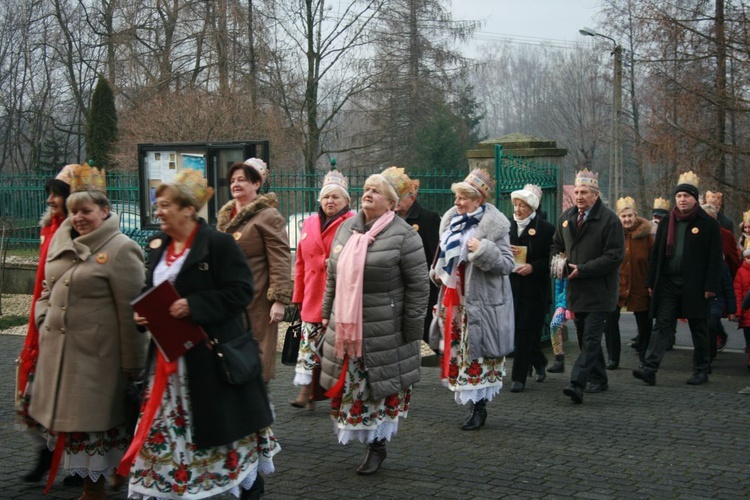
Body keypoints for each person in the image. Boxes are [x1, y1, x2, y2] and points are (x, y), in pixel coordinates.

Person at [121, 169, 277, 499]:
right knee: (169, 432)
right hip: (167, 362)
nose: (158, 211)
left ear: (188, 209)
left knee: (217, 429)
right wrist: (142, 313)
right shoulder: (159, 245)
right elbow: (151, 289)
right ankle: (174, 484)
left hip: (209, 361)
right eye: (157, 205)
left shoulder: (218, 244)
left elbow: (241, 292)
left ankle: (242, 484)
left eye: (165, 205)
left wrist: (195, 305)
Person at [29, 163, 149, 498]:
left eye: (86, 210)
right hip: (61, 359)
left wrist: (132, 367)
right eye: (73, 211)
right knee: (78, 430)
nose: (79, 217)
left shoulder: (122, 248)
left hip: (99, 362)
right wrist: (44, 319)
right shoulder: (60, 241)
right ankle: (93, 487)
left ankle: (95, 490)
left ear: (105, 210)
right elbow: (45, 291)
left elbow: (132, 314)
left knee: (95, 431)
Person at [319, 168, 428, 475]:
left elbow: (419, 287)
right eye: (366, 188)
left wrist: (411, 330)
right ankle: (367, 438)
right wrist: (327, 312)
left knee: (377, 388)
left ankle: (377, 446)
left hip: (384, 329)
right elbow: (332, 275)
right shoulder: (347, 230)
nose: (368, 194)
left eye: (376, 191)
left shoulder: (405, 236)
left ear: (391, 203)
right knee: (355, 387)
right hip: (347, 328)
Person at [430, 168, 514, 428]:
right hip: (456, 304)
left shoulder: (495, 226)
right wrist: (437, 272)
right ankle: (472, 404)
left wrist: (483, 250)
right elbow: (443, 258)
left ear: (478, 200)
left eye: (463, 197)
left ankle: (480, 408)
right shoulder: (451, 224)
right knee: (462, 355)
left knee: (480, 357)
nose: (457, 202)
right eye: (456, 197)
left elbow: (507, 265)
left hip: (483, 304)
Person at [633, 171, 722, 386]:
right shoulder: (666, 222)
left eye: (687, 196)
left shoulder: (707, 224)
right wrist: (651, 282)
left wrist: (711, 286)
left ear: (695, 199)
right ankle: (650, 368)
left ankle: (701, 370)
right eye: (679, 196)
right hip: (668, 283)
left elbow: (714, 259)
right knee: (662, 325)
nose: (682, 200)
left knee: (698, 327)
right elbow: (657, 256)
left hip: (696, 284)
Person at [15, 164, 73, 484]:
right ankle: (46, 453)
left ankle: (76, 464)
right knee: (33, 394)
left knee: (59, 394)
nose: (51, 200)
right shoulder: (49, 227)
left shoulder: (72, 229)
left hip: (60, 323)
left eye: (57, 194)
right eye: (49, 194)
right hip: (40, 322)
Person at [551, 169, 624, 403]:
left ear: (596, 194)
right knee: (585, 338)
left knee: (592, 338)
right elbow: (555, 246)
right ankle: (600, 378)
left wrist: (583, 269)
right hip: (576, 290)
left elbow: (614, 256)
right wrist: (559, 265)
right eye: (578, 192)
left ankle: (577, 383)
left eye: (585, 192)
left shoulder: (610, 220)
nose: (579, 196)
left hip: (600, 290)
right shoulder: (566, 218)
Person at [217, 158, 292, 384]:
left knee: (256, 357)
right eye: (232, 180)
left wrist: (279, 299)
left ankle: (261, 410)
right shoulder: (226, 217)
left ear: (256, 184)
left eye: (242, 180)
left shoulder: (267, 216)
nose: (236, 184)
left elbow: (280, 257)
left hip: (257, 299)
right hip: (230, 299)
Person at [290, 169, 354, 409]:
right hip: (311, 296)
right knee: (308, 346)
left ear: (346, 201)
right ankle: (306, 391)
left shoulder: (352, 224)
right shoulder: (309, 222)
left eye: (336, 197)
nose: (330, 201)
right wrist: (297, 295)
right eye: (327, 196)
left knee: (335, 349)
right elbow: (299, 262)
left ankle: (338, 393)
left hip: (338, 297)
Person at [508, 184, 554, 392]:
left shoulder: (545, 229)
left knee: (525, 331)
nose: (517, 209)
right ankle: (539, 361)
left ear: (532, 208)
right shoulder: (506, 227)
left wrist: (533, 267)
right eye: (515, 205)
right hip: (510, 288)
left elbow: (552, 258)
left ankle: (518, 378)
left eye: (522, 206)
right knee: (518, 332)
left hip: (533, 290)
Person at [604, 197, 654, 368]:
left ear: (636, 217)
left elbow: (654, 261)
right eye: (623, 216)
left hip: (640, 284)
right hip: (616, 285)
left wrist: (651, 283)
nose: (626, 220)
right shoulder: (612, 235)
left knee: (644, 323)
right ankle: (613, 357)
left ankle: (644, 357)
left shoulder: (646, 237)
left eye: (629, 216)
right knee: (610, 321)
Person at [394, 170, 441, 348]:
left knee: (423, 325)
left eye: (400, 197)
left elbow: (435, 250)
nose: (396, 201)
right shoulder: (391, 218)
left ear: (412, 198)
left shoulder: (429, 218)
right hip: (398, 282)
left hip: (422, 282)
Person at [734, 248, 750, 372]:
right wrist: (738, 311)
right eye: (748, 257)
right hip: (747, 315)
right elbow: (738, 292)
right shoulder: (741, 272)